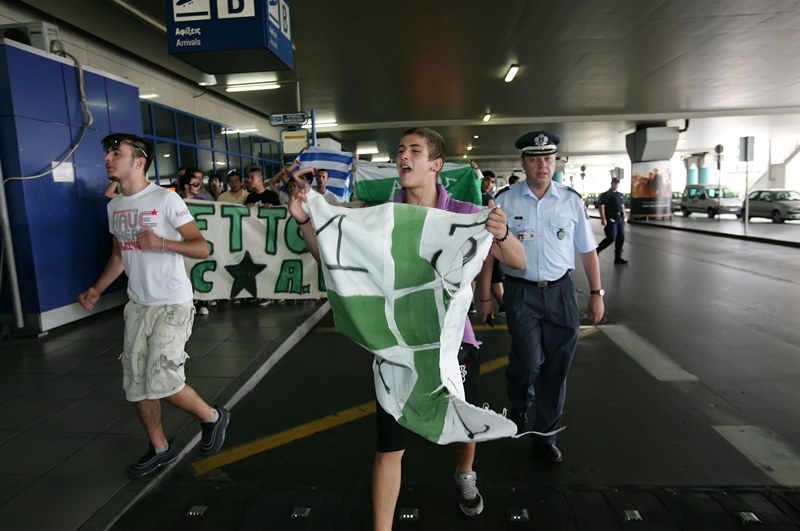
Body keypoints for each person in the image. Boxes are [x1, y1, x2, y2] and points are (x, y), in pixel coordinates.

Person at [288, 127, 525, 530]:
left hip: (453, 348)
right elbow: (335, 256)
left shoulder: (465, 214)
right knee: (389, 446)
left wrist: (501, 232)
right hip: (397, 350)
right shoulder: (381, 217)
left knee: (464, 422)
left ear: (435, 164)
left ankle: (465, 474)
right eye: (400, 150)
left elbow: (517, 260)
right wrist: (307, 222)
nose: (404, 156)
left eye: (415, 150)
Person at [78, 133, 230, 478]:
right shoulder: (114, 206)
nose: (107, 159)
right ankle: (160, 448)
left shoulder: (165, 200)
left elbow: (201, 247)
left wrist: (161, 242)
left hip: (172, 303)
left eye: (116, 153)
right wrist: (97, 289)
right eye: (108, 154)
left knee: (163, 381)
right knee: (136, 383)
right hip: (138, 305)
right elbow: (119, 254)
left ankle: (213, 417)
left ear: (138, 162)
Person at [480, 130, 603, 465]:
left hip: (562, 292)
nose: (542, 165)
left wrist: (596, 293)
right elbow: (489, 255)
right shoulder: (506, 200)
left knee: (557, 368)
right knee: (529, 361)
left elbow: (588, 251)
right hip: (521, 293)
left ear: (555, 162)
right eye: (535, 159)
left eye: (548, 159)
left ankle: (545, 435)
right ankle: (519, 402)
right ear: (524, 162)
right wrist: (485, 297)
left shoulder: (570, 200)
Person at [596, 176, 628, 264]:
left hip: (619, 219)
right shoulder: (606, 195)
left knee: (620, 238)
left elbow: (622, 207)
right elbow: (601, 206)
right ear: (612, 184)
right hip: (611, 219)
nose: (616, 185)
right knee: (611, 237)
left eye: (617, 183)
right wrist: (603, 218)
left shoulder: (619, 195)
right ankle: (597, 250)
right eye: (615, 183)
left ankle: (618, 258)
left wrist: (624, 218)